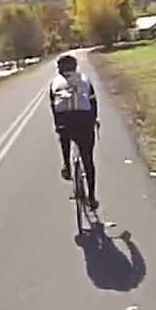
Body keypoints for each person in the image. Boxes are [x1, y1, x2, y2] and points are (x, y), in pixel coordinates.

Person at [49, 54, 99, 209]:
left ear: (59, 69)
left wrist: (58, 125)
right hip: (84, 122)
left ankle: (67, 166)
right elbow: (93, 102)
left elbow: (54, 107)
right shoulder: (85, 80)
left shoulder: (55, 82)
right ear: (75, 67)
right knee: (88, 159)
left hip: (65, 121)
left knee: (64, 136)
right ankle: (91, 197)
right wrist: (94, 120)